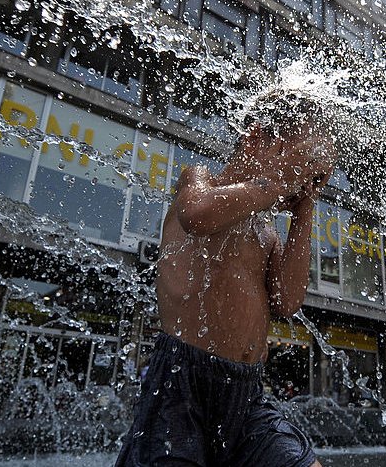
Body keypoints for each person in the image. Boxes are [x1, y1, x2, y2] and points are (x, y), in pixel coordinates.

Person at [114, 91, 335, 467]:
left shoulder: (266, 231)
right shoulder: (199, 181)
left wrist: (305, 207)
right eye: (299, 163)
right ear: (255, 138)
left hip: (247, 393)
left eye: (311, 172)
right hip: (181, 383)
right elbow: (198, 216)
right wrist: (278, 183)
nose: (299, 179)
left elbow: (287, 300)